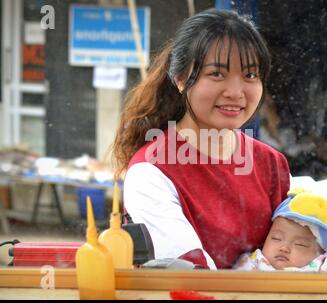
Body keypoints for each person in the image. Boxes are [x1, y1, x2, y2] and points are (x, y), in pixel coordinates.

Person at [112, 8, 290, 270]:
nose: (235, 92)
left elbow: (298, 258)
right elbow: (192, 273)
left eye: (250, 75)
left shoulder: (272, 163)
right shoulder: (151, 172)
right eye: (217, 74)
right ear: (181, 80)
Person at [234, 190, 327, 271]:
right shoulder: (252, 263)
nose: (284, 248)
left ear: (321, 254)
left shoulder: (324, 271)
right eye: (276, 238)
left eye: (300, 244)